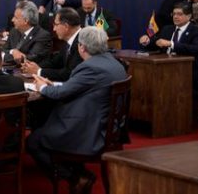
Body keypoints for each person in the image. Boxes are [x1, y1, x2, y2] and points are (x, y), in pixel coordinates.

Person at [27, 26, 127, 194]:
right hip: (107, 127)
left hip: (89, 130)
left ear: (82, 47)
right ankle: (77, 172)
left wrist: (42, 87)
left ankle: (76, 178)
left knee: (34, 141)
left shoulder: (90, 67)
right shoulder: (113, 63)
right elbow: (77, 87)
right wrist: (54, 86)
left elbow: (61, 93)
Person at [139, 2, 198, 95]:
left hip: (186, 71)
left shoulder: (196, 31)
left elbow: (196, 48)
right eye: (174, 14)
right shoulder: (168, 29)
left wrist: (172, 44)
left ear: (189, 16)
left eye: (179, 14)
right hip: (163, 68)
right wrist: (147, 41)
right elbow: (158, 42)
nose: (175, 17)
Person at [22, 8, 84, 82]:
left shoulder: (82, 42)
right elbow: (55, 61)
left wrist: (39, 71)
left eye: (56, 25)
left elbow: (69, 73)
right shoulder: (70, 40)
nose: (54, 29)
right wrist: (33, 66)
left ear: (66, 26)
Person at [2, 1, 52, 65]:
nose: (12, 20)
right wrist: (13, 51)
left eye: (16, 17)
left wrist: (3, 57)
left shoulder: (43, 36)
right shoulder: (13, 31)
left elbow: (28, 59)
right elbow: (3, 50)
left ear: (26, 21)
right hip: (9, 70)